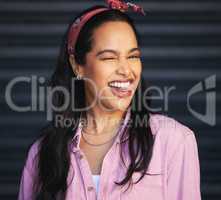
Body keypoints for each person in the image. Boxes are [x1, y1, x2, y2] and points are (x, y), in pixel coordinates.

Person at [18, 1, 201, 200]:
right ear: (77, 65)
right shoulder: (42, 153)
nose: (126, 71)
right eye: (109, 58)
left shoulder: (173, 140)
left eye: (133, 56)